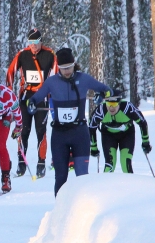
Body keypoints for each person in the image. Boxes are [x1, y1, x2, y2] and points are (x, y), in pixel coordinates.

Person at [27, 48, 111, 196]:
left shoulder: (83, 79)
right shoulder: (52, 82)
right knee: (60, 177)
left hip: (79, 133)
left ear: (74, 64)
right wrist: (31, 104)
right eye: (63, 68)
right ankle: (60, 211)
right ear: (58, 68)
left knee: (82, 177)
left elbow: (106, 90)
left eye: (69, 67)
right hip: (60, 135)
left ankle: (83, 210)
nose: (67, 71)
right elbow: (36, 97)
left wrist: (101, 95)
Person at [6, 28, 58, 178]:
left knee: (41, 130)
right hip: (26, 96)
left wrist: (55, 92)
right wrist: (9, 92)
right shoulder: (23, 54)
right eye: (30, 42)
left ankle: (41, 164)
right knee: (23, 129)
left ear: (41, 41)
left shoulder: (50, 54)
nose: (33, 46)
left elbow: (57, 74)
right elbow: (10, 72)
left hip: (42, 96)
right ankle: (21, 163)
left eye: (36, 42)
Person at [89, 89, 152, 173]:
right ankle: (105, 185)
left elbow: (142, 123)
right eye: (109, 104)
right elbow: (91, 127)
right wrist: (93, 147)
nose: (111, 108)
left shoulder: (127, 107)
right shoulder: (101, 110)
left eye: (114, 105)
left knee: (125, 163)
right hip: (108, 135)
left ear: (119, 103)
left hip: (127, 135)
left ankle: (130, 185)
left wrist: (145, 142)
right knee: (110, 164)